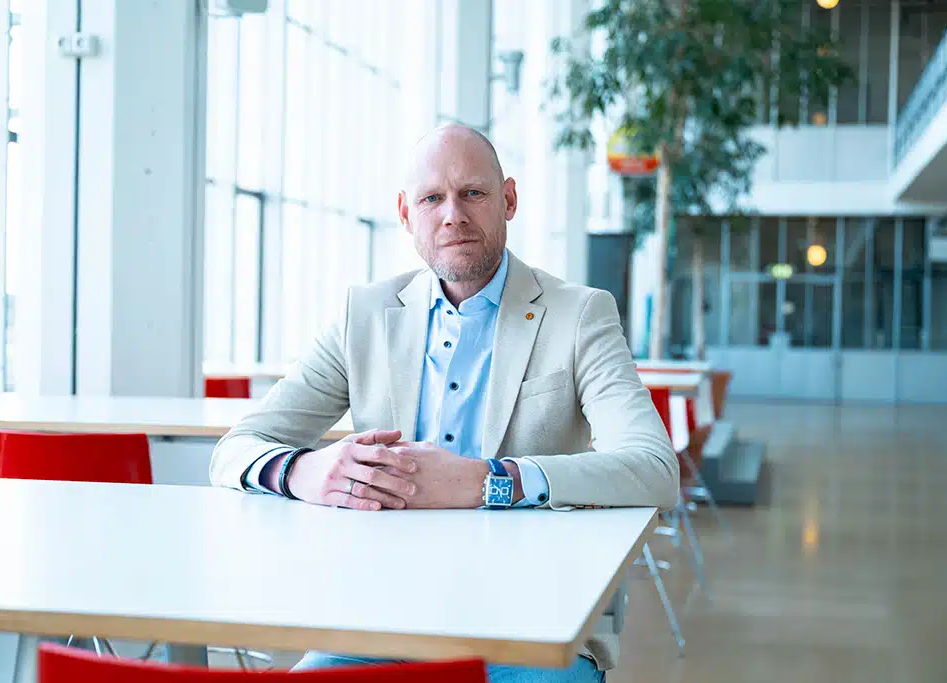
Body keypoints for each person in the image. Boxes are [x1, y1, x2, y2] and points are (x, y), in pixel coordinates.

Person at [209, 124, 679, 683]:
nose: (452, 214)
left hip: (531, 625)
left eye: (472, 194)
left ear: (508, 200)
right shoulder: (364, 315)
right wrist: (308, 471)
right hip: (378, 622)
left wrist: (488, 480)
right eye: (432, 198)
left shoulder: (579, 315)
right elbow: (233, 451)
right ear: (407, 213)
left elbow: (654, 468)